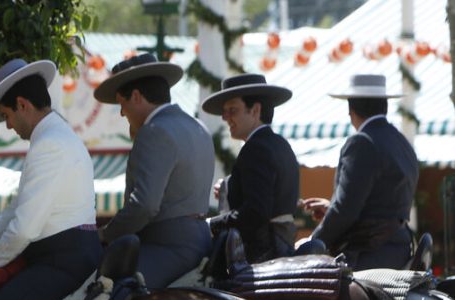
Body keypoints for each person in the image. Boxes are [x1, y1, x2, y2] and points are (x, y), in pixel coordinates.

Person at [0, 59, 102, 300]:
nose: (9, 125)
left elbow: (24, 228)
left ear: (22, 105)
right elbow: (16, 209)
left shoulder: (48, 144)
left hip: (62, 261)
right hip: (65, 256)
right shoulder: (57, 136)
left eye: (7, 116)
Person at [93, 53, 214, 288]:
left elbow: (145, 205)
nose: (122, 113)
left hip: (167, 245)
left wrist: (105, 234)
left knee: (102, 293)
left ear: (136, 96)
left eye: (122, 103)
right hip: (201, 240)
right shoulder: (197, 125)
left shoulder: (154, 130)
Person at [302, 74, 418, 270]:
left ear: (351, 110)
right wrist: (332, 207)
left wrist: (313, 242)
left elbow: (345, 210)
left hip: (367, 255)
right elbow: (382, 204)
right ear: (385, 106)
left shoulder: (361, 142)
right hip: (399, 250)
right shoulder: (401, 142)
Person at [202, 74, 300, 263]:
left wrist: (210, 224)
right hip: (280, 247)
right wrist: (229, 185)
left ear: (255, 110)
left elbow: (255, 211)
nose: (225, 117)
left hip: (262, 253)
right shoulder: (280, 144)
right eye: (225, 111)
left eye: (232, 110)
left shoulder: (256, 148)